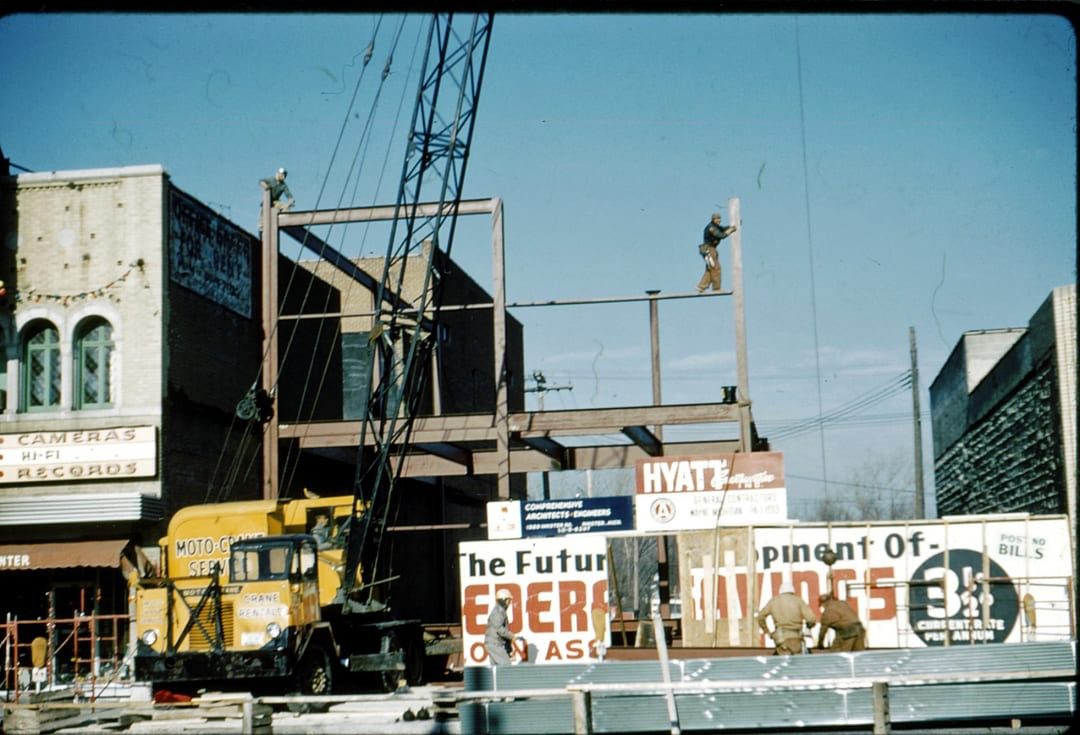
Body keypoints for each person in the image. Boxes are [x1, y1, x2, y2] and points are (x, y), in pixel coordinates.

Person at [756, 581, 816, 655]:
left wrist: (767, 632)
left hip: (780, 638)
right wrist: (808, 626)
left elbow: (760, 617)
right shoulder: (798, 601)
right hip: (796, 637)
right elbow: (811, 619)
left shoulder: (774, 601)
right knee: (796, 663)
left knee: (783, 663)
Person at [696, 211, 737, 293]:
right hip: (708, 249)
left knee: (711, 268)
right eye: (716, 219)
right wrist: (731, 230)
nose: (718, 220)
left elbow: (723, 228)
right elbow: (721, 235)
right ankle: (716, 288)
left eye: (719, 219)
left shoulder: (716, 226)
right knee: (716, 268)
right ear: (713, 219)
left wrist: (733, 226)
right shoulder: (711, 227)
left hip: (712, 249)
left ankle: (701, 287)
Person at [484, 589, 515, 666]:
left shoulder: (500, 611)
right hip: (494, 644)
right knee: (506, 667)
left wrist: (509, 650)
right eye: (508, 600)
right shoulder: (498, 612)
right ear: (504, 600)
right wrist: (512, 636)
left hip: (494, 643)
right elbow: (499, 629)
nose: (509, 603)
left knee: (496, 669)